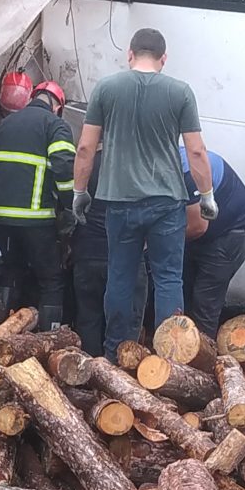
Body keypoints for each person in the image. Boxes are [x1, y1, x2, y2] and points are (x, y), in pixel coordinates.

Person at [72, 27, 215, 362]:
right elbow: (196, 152)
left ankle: (115, 354)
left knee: (120, 277)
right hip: (166, 202)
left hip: (119, 202)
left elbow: (85, 147)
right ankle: (171, 358)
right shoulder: (181, 92)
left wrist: (79, 191)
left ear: (129, 54)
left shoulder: (106, 88)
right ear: (164, 59)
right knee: (168, 278)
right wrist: (206, 195)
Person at [0, 81, 75, 330]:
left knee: (11, 272)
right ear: (57, 106)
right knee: (51, 279)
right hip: (36, 220)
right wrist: (70, 205)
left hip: (0, 219)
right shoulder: (55, 126)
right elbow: (64, 166)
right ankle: (49, 339)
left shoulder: (4, 126)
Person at [70, 149, 148, 356]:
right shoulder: (141, 164)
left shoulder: (88, 161)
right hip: (125, 257)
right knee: (127, 321)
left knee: (88, 318)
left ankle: (89, 374)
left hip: (87, 252)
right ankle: (120, 377)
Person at [179, 147, 245, 339]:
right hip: (206, 234)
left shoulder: (189, 173)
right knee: (184, 288)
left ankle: (201, 359)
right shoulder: (169, 161)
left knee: (205, 299)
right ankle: (182, 349)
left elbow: (198, 227)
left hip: (232, 233)